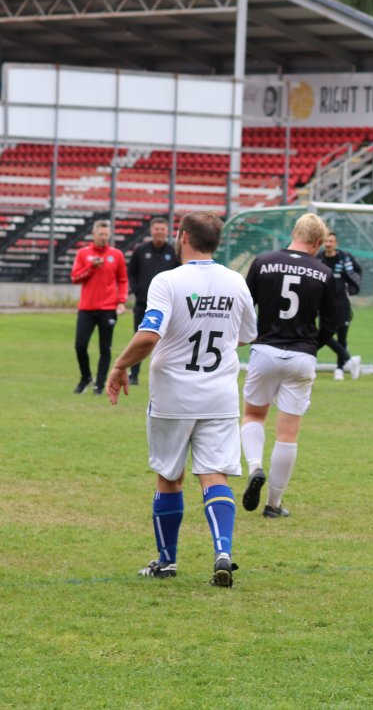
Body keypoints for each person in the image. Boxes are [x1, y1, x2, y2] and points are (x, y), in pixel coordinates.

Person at [105, 212, 257, 587]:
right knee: (215, 474)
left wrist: (119, 365)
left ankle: (167, 561)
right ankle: (223, 552)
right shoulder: (236, 281)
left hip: (174, 396)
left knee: (170, 476)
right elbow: (246, 334)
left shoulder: (168, 281)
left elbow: (149, 335)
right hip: (219, 395)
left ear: (183, 236)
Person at [240, 213, 338, 519]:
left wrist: (250, 335)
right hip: (301, 356)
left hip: (265, 350)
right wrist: (312, 345)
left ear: (294, 233)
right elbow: (334, 320)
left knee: (253, 415)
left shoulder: (263, 262)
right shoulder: (324, 272)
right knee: (288, 432)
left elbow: (245, 305)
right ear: (318, 243)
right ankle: (273, 504)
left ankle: (255, 467)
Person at [71, 219, 128, 395]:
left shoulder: (116, 254)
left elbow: (123, 280)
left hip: (108, 309)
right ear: (93, 234)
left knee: (105, 348)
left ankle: (100, 385)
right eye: (100, 234)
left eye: (106, 234)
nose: (103, 237)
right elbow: (75, 277)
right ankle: (86, 377)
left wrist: (121, 301)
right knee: (80, 345)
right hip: (87, 308)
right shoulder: (83, 253)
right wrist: (91, 267)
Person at [126, 217, 178, 386]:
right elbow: (131, 272)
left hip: (167, 307)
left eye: (162, 229)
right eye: (157, 229)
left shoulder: (173, 252)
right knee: (139, 337)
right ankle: (134, 374)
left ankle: (165, 374)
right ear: (151, 230)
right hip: (143, 303)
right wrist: (136, 289)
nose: (159, 232)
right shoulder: (140, 250)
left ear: (167, 231)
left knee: (166, 339)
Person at [317, 232, 363, 381]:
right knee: (324, 335)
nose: (328, 244)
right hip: (324, 304)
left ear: (336, 243)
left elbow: (357, 272)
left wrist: (351, 290)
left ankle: (339, 369)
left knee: (342, 337)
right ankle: (350, 359)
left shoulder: (344, 258)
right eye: (326, 241)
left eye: (331, 241)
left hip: (342, 303)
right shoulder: (319, 259)